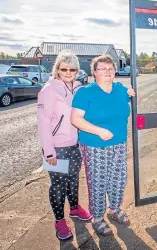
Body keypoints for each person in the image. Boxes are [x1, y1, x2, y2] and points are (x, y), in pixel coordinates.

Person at [71, 54, 135, 236]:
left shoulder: (120, 89)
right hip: (94, 146)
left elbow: (123, 107)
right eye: (102, 69)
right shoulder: (85, 92)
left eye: (110, 68)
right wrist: (99, 131)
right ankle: (97, 218)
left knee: (118, 179)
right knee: (98, 182)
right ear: (94, 72)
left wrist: (131, 95)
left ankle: (114, 209)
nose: (107, 72)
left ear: (115, 71)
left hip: (119, 144)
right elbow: (75, 119)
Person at [37, 51, 92, 240]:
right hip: (56, 148)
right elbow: (43, 122)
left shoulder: (77, 87)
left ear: (77, 71)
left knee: (73, 180)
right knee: (58, 185)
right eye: (64, 69)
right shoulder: (49, 90)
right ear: (57, 69)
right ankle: (59, 221)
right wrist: (48, 152)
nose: (68, 72)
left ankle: (75, 209)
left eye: (72, 69)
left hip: (75, 145)